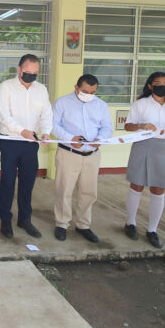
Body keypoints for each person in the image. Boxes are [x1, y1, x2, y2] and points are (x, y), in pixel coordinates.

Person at [123, 71, 165, 249]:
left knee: (158, 189)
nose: (163, 85)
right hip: (142, 145)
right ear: (150, 86)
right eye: (158, 82)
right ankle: (130, 223)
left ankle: (152, 230)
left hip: (163, 148)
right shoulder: (141, 104)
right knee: (137, 185)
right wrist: (141, 125)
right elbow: (128, 125)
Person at [0, 54, 52, 239]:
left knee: (28, 183)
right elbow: (4, 116)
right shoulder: (7, 87)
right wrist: (22, 131)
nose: (31, 76)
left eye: (35, 73)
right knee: (8, 182)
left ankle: (25, 219)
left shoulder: (41, 89)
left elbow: (46, 114)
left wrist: (46, 132)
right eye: (28, 72)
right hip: (10, 141)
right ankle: (5, 220)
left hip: (31, 143)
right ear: (19, 69)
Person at [51, 74, 112, 243]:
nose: (88, 94)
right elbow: (53, 124)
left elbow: (107, 127)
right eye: (85, 91)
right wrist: (69, 138)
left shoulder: (101, 105)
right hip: (68, 154)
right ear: (76, 87)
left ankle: (83, 225)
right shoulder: (63, 102)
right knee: (64, 190)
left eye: (92, 91)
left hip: (92, 155)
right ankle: (62, 224)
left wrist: (100, 139)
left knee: (88, 191)